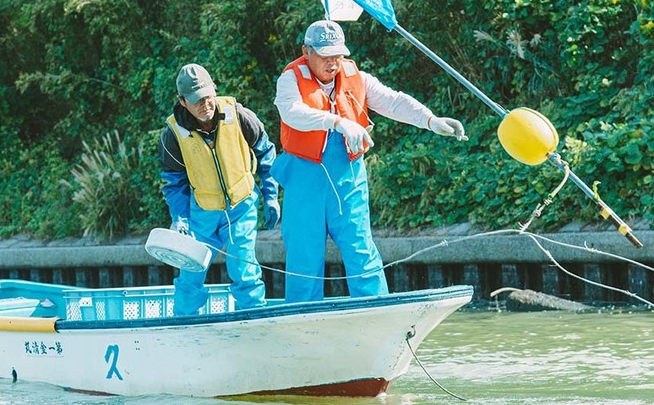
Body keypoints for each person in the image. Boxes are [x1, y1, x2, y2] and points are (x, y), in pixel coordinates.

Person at [272, 20, 467, 303]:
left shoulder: (357, 77)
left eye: (337, 55)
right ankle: (302, 315)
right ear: (306, 51)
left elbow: (394, 101)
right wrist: (337, 122)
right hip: (304, 178)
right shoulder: (290, 78)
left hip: (347, 177)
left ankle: (375, 307)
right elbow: (292, 113)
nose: (332, 63)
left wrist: (430, 119)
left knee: (360, 248)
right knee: (304, 255)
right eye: (325, 56)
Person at [158, 64, 279, 313]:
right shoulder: (172, 134)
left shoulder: (239, 115)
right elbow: (173, 182)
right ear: (182, 101)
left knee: (245, 271)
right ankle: (184, 328)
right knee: (190, 276)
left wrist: (271, 196)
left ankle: (254, 323)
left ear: (214, 90)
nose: (205, 104)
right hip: (202, 214)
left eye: (207, 96)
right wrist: (180, 218)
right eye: (196, 100)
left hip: (241, 207)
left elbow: (266, 153)